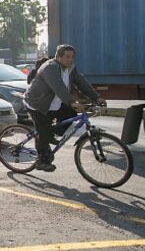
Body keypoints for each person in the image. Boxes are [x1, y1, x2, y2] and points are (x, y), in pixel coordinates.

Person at [23, 44, 105, 172]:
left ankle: (50, 134)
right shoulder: (50, 67)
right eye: (67, 57)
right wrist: (72, 102)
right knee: (43, 132)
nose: (70, 59)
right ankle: (42, 161)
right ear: (59, 57)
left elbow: (81, 82)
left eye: (72, 57)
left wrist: (96, 97)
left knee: (71, 114)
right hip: (38, 104)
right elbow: (58, 86)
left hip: (54, 104)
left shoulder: (70, 68)